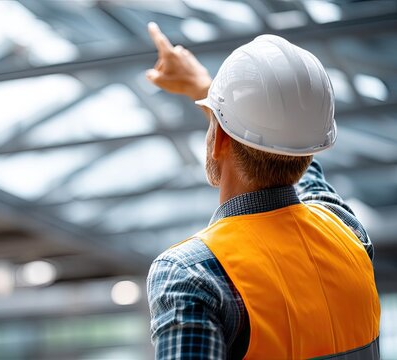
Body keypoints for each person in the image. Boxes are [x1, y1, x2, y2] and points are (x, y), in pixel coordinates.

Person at [144, 22, 381, 359]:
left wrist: (208, 93)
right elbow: (293, 149)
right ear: (311, 149)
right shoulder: (346, 231)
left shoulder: (192, 273)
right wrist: (206, 90)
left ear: (221, 139)